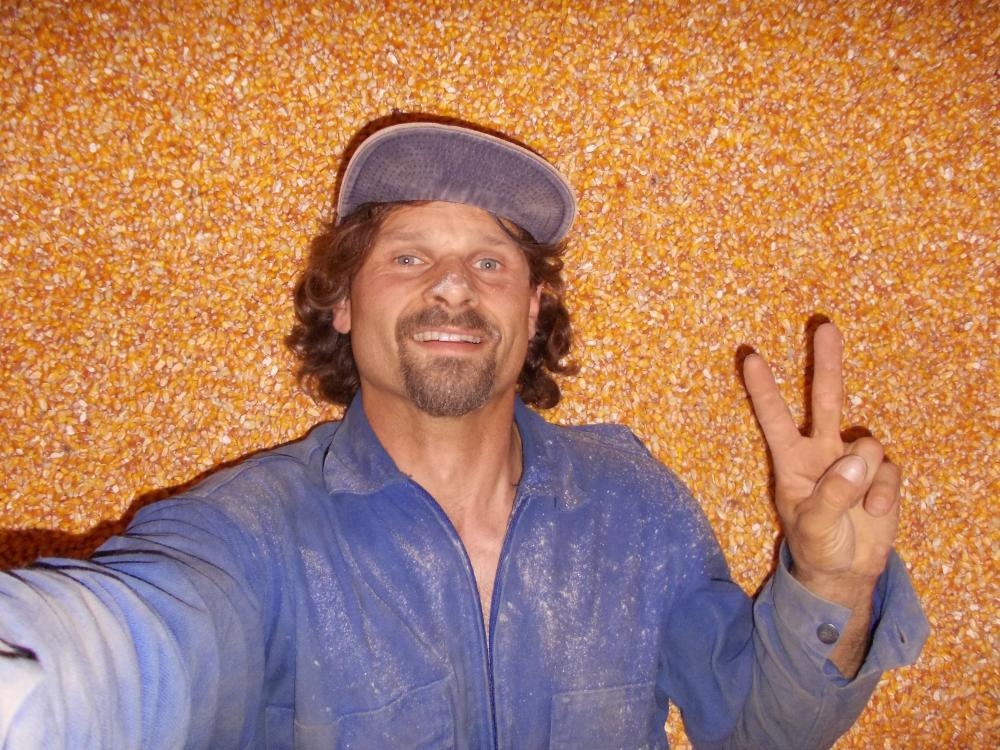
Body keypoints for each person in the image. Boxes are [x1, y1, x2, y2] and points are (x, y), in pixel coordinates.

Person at [0, 119, 927, 749]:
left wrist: (833, 584)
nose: (452, 285)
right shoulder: (252, 530)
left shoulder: (632, 503)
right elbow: (135, 643)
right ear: (342, 305)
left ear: (533, 309)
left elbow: (761, 728)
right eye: (409, 256)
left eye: (490, 261)